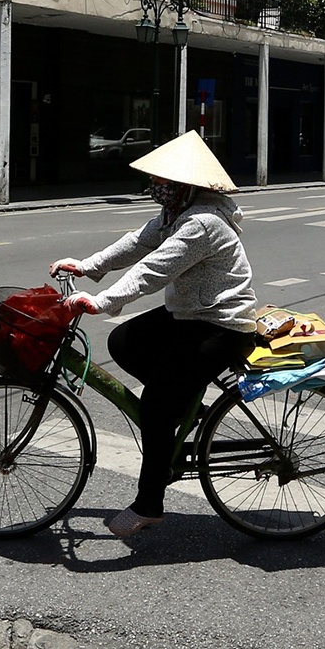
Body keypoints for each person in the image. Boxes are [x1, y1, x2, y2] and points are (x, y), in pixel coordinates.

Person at [50, 131, 257, 538]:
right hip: (190, 315)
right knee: (124, 342)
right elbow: (139, 243)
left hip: (221, 326)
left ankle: (149, 504)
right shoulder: (178, 212)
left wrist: (102, 300)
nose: (155, 188)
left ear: (186, 185)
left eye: (163, 182)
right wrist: (87, 265)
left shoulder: (202, 222)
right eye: (156, 181)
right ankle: (186, 406)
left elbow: (154, 269)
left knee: (157, 407)